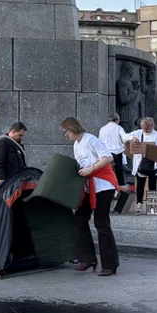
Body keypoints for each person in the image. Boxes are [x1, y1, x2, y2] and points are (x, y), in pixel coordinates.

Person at [62, 117, 119, 277]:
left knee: (101, 223)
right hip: (89, 187)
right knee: (79, 219)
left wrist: (91, 168)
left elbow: (108, 158)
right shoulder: (76, 145)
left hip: (103, 185)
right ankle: (87, 258)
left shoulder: (91, 140)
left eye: (66, 132)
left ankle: (110, 264)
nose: (66, 135)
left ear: (73, 129)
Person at [128, 117, 157, 208]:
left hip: (153, 164)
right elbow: (124, 136)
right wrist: (133, 138)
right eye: (144, 127)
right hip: (141, 163)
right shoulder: (138, 133)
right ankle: (139, 203)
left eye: (148, 127)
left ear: (152, 126)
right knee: (140, 184)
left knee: (152, 185)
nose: (146, 129)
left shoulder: (156, 136)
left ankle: (152, 205)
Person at [98, 113, 128, 186]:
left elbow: (99, 142)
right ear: (117, 120)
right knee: (119, 173)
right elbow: (124, 138)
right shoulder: (118, 128)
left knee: (107, 172)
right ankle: (120, 188)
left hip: (106, 154)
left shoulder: (103, 129)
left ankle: (109, 187)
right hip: (117, 153)